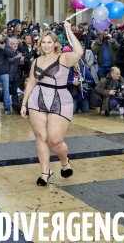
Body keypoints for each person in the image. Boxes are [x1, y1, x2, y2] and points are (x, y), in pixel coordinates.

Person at [20, 24, 83, 186]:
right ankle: (44, 172)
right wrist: (24, 104)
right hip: (37, 99)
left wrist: (69, 30)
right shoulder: (37, 60)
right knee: (41, 137)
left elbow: (79, 52)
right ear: (39, 44)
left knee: (55, 140)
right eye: (43, 42)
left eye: (49, 42)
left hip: (60, 100)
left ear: (55, 43)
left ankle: (64, 162)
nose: (46, 45)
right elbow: (31, 83)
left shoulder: (64, 58)